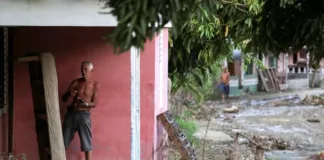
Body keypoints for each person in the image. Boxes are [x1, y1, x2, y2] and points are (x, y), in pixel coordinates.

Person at [61, 61, 100, 160]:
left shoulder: (95, 85)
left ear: (92, 71)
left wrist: (86, 104)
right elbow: (63, 99)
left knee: (87, 144)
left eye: (86, 70)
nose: (83, 72)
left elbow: (95, 103)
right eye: (82, 69)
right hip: (71, 114)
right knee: (62, 142)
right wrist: (70, 94)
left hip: (84, 115)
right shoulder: (75, 82)